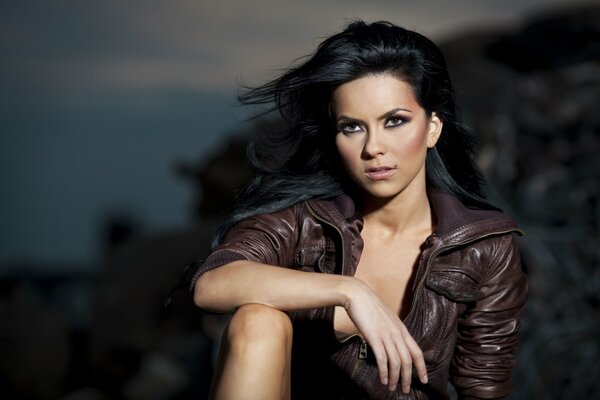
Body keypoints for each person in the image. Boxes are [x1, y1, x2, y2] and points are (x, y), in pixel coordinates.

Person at [190, 20, 528, 400]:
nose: (373, 148)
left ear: (432, 128)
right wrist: (349, 292)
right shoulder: (304, 220)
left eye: (395, 121)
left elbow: (484, 388)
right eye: (352, 127)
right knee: (257, 321)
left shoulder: (486, 246)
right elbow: (211, 284)